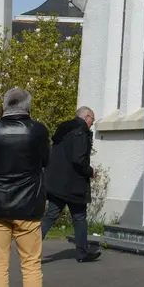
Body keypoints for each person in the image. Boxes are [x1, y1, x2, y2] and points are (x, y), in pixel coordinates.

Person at [0, 88, 50, 287]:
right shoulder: (38, 131)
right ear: (28, 107)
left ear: (5, 105)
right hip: (28, 204)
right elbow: (45, 160)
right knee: (31, 266)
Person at [40, 107, 100, 262]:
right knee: (79, 217)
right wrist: (90, 171)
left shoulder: (64, 130)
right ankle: (82, 252)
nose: (92, 124)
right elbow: (78, 159)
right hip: (73, 184)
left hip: (57, 182)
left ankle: (29, 248)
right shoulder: (80, 132)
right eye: (92, 120)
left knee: (50, 215)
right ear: (87, 117)